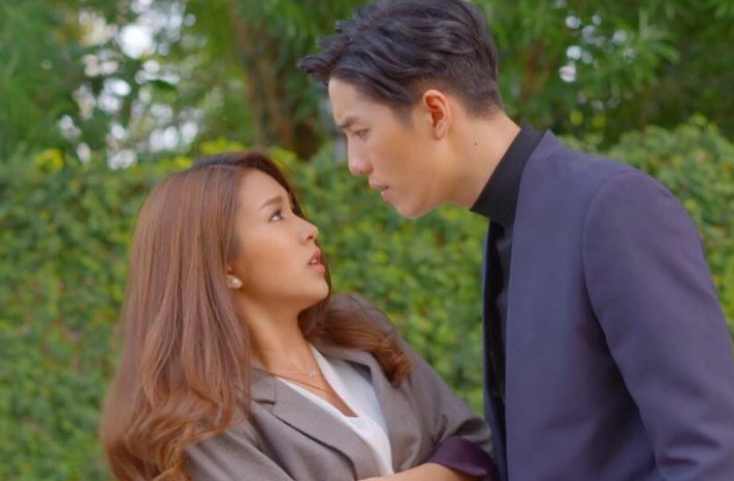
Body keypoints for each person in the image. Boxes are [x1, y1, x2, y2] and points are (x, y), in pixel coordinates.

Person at [298, 0, 734, 481]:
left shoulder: (613, 208)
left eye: (360, 132)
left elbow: (710, 457)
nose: (355, 163)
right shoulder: (510, 225)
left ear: (435, 113)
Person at [99, 151, 496, 481]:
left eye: (293, 209)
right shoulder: (210, 421)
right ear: (224, 267)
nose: (309, 228)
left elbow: (476, 445)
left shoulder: (360, 330)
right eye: (276, 216)